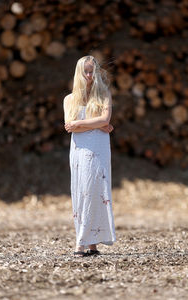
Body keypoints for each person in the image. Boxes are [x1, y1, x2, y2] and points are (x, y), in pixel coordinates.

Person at [63, 55, 116, 257]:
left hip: (100, 149)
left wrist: (81, 124)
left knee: (98, 192)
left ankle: (91, 243)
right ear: (78, 73)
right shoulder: (69, 99)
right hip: (80, 151)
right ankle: (82, 242)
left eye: (91, 71)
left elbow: (105, 119)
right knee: (82, 191)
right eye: (85, 71)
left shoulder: (104, 94)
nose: (88, 75)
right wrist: (99, 124)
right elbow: (70, 125)